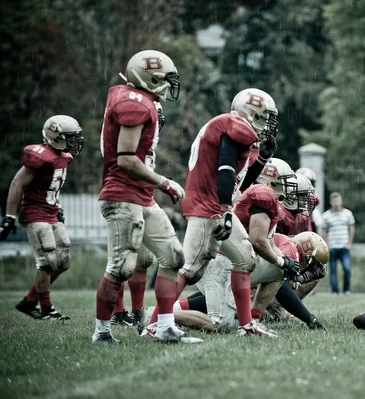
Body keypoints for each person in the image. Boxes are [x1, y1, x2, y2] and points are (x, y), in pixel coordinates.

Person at [143, 88, 280, 337]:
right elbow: (225, 169)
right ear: (252, 113)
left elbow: (239, 182)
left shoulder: (231, 129)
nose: (267, 124)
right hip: (210, 207)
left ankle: (246, 325)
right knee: (189, 268)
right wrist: (226, 209)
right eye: (264, 116)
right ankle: (154, 324)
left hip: (213, 204)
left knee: (244, 259)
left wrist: (260, 160)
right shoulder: (233, 126)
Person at [92, 50, 201, 344]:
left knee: (174, 257)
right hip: (122, 195)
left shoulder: (131, 95)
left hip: (139, 195)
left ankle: (164, 326)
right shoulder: (134, 103)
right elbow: (126, 158)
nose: (167, 86)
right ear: (148, 78)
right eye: (164, 80)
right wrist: (164, 182)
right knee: (121, 267)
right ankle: (102, 332)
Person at [144, 231, 328, 332]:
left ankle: (251, 320)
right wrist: (309, 318)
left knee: (231, 307)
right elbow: (283, 291)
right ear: (307, 253)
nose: (312, 270)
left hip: (228, 268)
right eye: (314, 264)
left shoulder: (286, 246)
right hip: (222, 269)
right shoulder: (290, 254)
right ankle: (162, 316)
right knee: (220, 324)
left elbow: (274, 281)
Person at [1, 115, 83, 321]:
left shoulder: (63, 157)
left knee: (63, 261)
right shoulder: (40, 155)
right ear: (56, 137)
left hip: (51, 213)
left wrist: (59, 206)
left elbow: (50, 186)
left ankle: (29, 301)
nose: (74, 142)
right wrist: (10, 216)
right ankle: (47, 310)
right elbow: (17, 184)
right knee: (47, 261)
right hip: (35, 213)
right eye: (70, 137)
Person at [321, 192, 355, 295]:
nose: (336, 203)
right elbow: (324, 231)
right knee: (333, 271)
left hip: (344, 246)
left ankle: (346, 290)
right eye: (334, 201)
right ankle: (335, 291)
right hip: (332, 247)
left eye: (338, 200)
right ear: (331, 202)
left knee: (347, 269)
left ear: (341, 201)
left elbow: (352, 228)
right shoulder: (326, 215)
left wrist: (349, 242)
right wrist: (326, 244)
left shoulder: (348, 214)